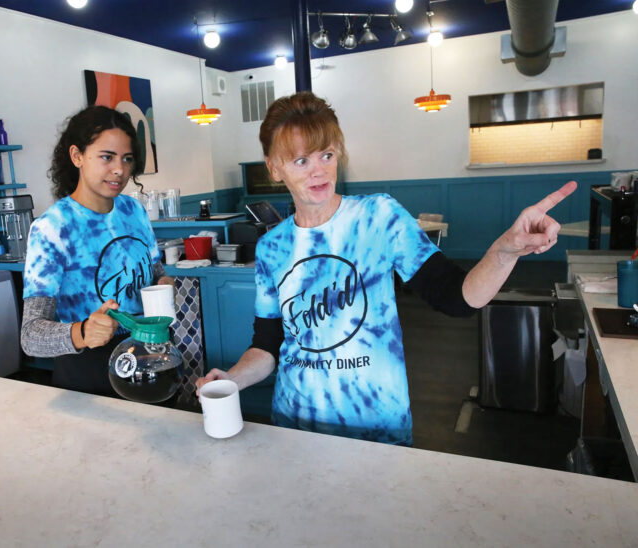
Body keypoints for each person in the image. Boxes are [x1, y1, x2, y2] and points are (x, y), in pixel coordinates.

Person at [196, 92, 576, 445]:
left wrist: (504, 250)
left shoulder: (379, 216)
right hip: (297, 425)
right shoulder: (271, 247)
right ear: (274, 168)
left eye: (326, 155)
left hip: (376, 425)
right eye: (301, 160)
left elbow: (457, 298)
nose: (318, 171)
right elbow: (268, 345)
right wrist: (232, 379)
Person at [21, 105, 173, 396]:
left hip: (151, 354)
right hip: (91, 370)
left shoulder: (134, 211)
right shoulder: (54, 227)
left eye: (127, 159)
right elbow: (30, 336)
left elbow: (155, 272)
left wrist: (163, 283)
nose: (120, 169)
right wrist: (81, 332)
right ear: (77, 156)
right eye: (107, 157)